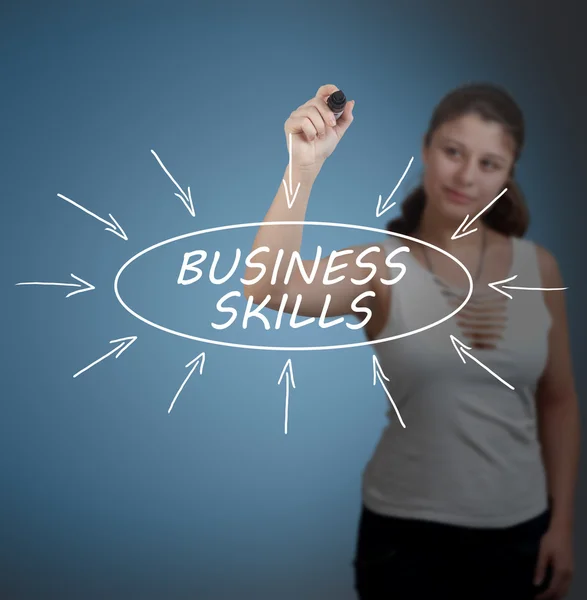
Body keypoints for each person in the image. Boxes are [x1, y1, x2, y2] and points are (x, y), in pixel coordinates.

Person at [243, 83, 580, 599]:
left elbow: (558, 401)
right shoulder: (381, 267)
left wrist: (561, 525)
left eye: (490, 164)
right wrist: (302, 169)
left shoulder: (540, 267)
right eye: (453, 152)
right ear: (426, 149)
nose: (467, 176)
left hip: (520, 535)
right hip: (405, 540)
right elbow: (267, 284)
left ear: (509, 176)